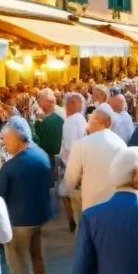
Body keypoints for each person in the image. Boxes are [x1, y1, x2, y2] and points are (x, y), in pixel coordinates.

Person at [0, 116, 52, 274]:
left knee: (18, 265)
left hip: (19, 220)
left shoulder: (11, 166)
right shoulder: (41, 155)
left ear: (17, 139)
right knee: (37, 258)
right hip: (40, 215)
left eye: (6, 139)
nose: (4, 143)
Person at [64, 109, 127, 211]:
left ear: (99, 122)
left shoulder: (82, 144)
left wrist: (68, 190)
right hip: (116, 201)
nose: (87, 122)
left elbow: (71, 176)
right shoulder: (120, 143)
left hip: (92, 202)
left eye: (89, 119)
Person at [60, 93, 88, 232]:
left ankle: (76, 223)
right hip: (79, 163)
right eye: (69, 102)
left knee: (71, 195)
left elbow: (70, 147)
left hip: (73, 164)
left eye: (73, 102)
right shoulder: (79, 119)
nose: (69, 105)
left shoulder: (72, 120)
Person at [34, 88, 65, 160]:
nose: (37, 103)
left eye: (39, 100)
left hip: (52, 156)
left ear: (47, 102)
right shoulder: (43, 114)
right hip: (53, 155)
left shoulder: (59, 115)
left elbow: (39, 137)